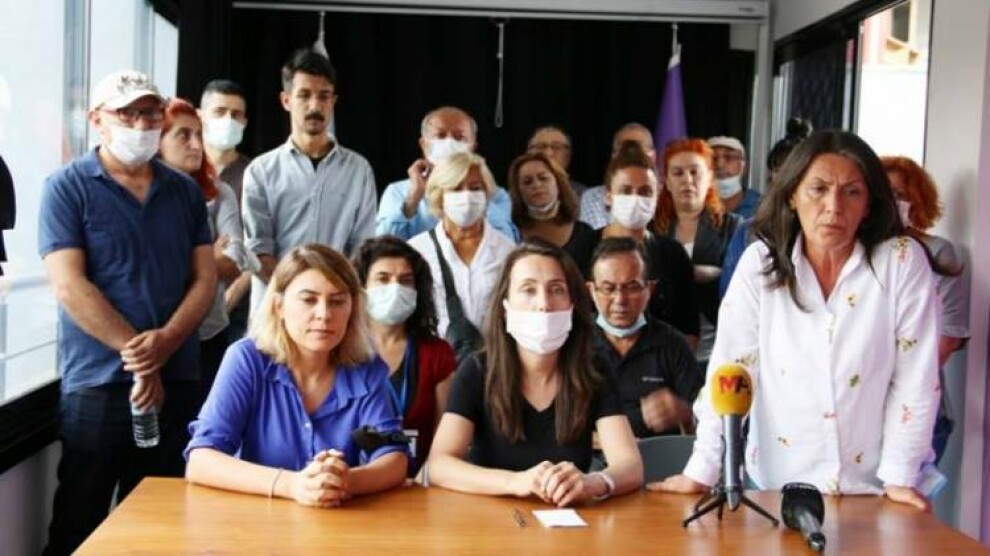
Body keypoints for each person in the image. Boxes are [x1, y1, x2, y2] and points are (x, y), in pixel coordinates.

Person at [651, 131, 941, 512]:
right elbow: (730, 372)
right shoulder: (760, 264)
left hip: (874, 488)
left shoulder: (901, 262)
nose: (833, 207)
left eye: (852, 192)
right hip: (778, 486)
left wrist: (900, 477)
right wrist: (703, 469)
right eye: (818, 189)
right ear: (792, 195)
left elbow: (916, 377)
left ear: (869, 203)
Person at [38, 70, 216, 555]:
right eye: (127, 113)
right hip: (98, 384)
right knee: (80, 521)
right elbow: (69, 285)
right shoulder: (67, 187)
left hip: (176, 378)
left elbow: (205, 279)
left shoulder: (184, 192)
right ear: (97, 119)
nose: (141, 124)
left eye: (151, 113)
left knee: (163, 525)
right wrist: (140, 356)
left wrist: (166, 342)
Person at [185, 244, 408, 505]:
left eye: (337, 301)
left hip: (336, 519)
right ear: (279, 306)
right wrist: (292, 485)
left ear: (352, 308)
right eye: (309, 300)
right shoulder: (246, 359)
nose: (324, 314)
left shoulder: (366, 368)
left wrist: (341, 482)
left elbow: (394, 459)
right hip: (256, 519)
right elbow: (201, 460)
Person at [428, 241, 643, 505]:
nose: (544, 304)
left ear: (572, 304)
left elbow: (630, 466)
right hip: (488, 519)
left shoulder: (593, 369)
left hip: (567, 518)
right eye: (528, 290)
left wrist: (594, 482)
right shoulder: (477, 370)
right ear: (505, 307)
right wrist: (516, 482)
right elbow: (440, 464)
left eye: (556, 289)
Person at [242, 48, 377, 314]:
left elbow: (362, 249)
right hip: (275, 311)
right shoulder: (261, 171)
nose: (315, 106)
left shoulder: (358, 170)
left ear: (333, 101)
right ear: (286, 100)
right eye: (304, 95)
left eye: (323, 96)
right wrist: (301, 295)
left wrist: (326, 294)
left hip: (334, 311)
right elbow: (258, 252)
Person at [159, 97, 249, 400]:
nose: (197, 145)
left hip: (209, 333)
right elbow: (148, 266)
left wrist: (183, 263)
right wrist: (208, 257)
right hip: (157, 335)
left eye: (199, 134)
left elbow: (235, 260)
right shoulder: (142, 196)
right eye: (184, 136)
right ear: (158, 141)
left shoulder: (218, 191)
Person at [882, 155, 969, 463]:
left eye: (900, 194)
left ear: (917, 201)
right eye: (883, 192)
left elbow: (949, 337)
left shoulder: (938, 252)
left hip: (918, 415)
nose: (891, 202)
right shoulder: (857, 252)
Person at [352, 236, 456, 476]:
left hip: (419, 484)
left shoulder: (437, 354)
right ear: (361, 287)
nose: (395, 287)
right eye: (383, 279)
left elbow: (445, 442)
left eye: (405, 280)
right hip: (354, 480)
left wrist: (424, 481)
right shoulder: (342, 352)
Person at [408, 152, 515, 361]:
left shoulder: (507, 251)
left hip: (494, 363)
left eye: (475, 188)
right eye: (456, 188)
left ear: (486, 194)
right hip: (434, 366)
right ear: (439, 195)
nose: (466, 196)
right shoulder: (416, 251)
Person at [588, 238, 701, 438]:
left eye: (632, 287)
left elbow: (706, 423)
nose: (620, 300)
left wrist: (683, 412)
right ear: (591, 291)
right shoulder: (574, 342)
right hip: (591, 454)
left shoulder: (672, 344)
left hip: (657, 454)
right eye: (608, 288)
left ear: (649, 289)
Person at [595, 141, 699, 347]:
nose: (635, 199)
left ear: (657, 196)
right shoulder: (584, 247)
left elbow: (689, 331)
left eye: (645, 192)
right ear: (608, 196)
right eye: (625, 191)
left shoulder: (672, 253)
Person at [655, 139, 741, 365]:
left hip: (717, 346)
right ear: (667, 181)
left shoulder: (733, 226)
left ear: (710, 177)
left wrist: (714, 274)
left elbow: (743, 282)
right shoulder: (652, 228)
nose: (687, 180)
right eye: (678, 173)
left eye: (695, 172)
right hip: (662, 344)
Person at [375, 106, 518, 241]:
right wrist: (413, 199)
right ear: (424, 145)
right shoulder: (398, 192)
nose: (449, 142)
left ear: (473, 147)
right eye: (440, 136)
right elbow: (382, 246)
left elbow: (506, 242)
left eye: (459, 137)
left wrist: (478, 195)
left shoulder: (495, 195)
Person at [719, 118, 813, 299]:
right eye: (781, 169)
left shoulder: (827, 231)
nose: (789, 178)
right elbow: (730, 297)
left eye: (798, 170)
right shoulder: (749, 232)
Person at [199, 78, 253, 342]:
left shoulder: (255, 174)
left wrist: (229, 298)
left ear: (245, 122)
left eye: (236, 114)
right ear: (201, 116)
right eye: (219, 112)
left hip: (236, 313)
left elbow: (254, 248)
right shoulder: (182, 172)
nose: (228, 120)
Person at [507, 151, 597, 274]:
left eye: (543, 178)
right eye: (528, 182)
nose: (537, 185)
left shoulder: (584, 233)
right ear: (518, 192)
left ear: (558, 183)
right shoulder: (511, 234)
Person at [580, 123, 656, 230]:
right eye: (625, 148)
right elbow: (595, 237)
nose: (632, 153)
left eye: (638, 147)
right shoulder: (593, 198)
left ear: (653, 155)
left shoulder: (666, 198)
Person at [526, 125, 587, 197]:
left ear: (568, 156)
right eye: (541, 147)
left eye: (557, 147)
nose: (548, 153)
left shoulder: (586, 196)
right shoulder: (515, 194)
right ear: (528, 153)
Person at [708, 136, 760, 218]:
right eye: (713, 158)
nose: (719, 164)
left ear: (743, 166)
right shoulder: (694, 206)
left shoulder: (762, 206)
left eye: (729, 157)